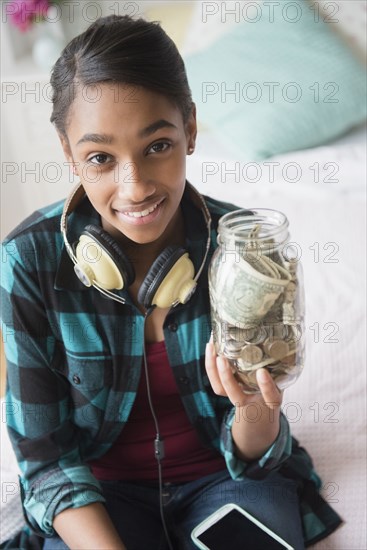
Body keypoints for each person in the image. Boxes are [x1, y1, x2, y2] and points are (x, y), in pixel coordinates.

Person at [0, 15, 342, 550]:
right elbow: (45, 461)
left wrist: (258, 410)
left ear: (190, 129)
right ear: (69, 155)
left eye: (157, 145)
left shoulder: (245, 254)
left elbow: (255, 450)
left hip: (228, 478)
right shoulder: (27, 261)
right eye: (100, 158)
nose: (134, 187)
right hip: (100, 495)